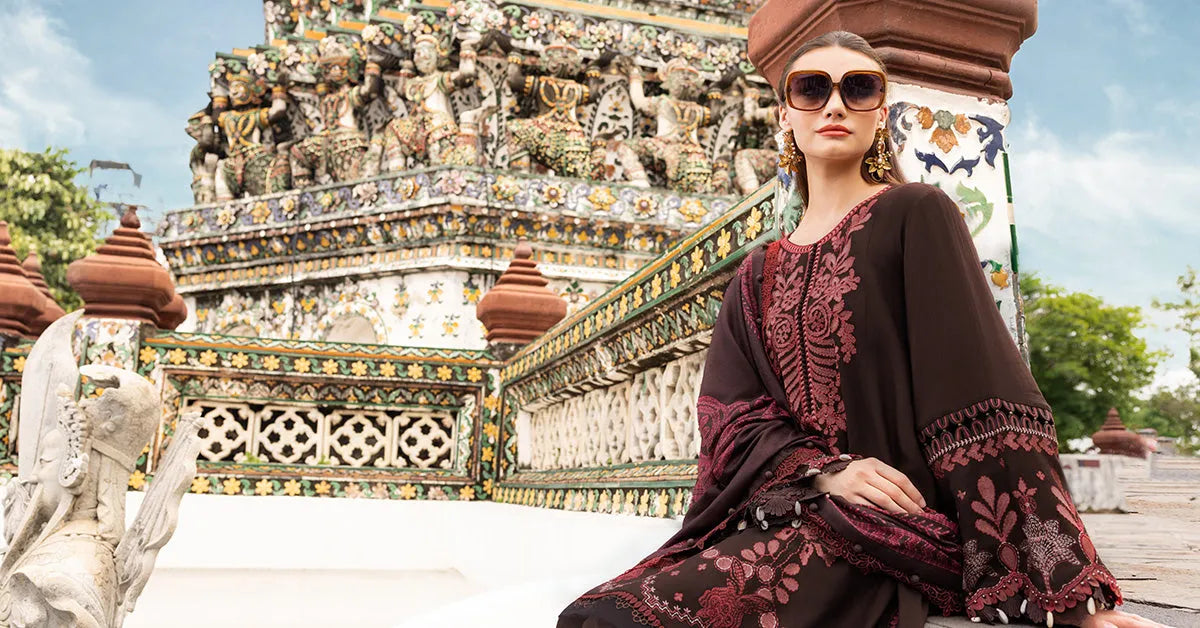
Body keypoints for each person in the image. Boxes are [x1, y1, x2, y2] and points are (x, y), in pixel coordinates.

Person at [557, 31, 1164, 628]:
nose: (835, 105)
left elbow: (982, 394)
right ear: (784, 115)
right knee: (591, 614)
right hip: (798, 508)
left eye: (859, 88)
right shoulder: (757, 274)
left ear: (881, 113)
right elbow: (733, 419)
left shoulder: (915, 213)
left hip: (892, 535)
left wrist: (1069, 597)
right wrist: (828, 470)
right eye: (812, 89)